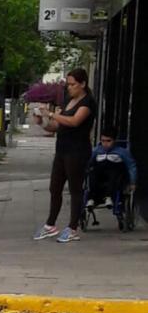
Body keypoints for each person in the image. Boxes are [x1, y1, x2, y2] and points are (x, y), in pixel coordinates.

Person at [33, 68, 96, 243]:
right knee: (55, 187)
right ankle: (50, 225)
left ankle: (73, 227)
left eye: (73, 84)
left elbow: (74, 121)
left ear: (83, 84)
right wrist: (43, 122)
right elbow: (57, 126)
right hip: (62, 149)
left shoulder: (87, 103)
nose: (69, 88)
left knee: (75, 189)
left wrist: (51, 113)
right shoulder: (68, 100)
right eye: (67, 84)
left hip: (77, 151)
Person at [86, 127, 137, 210]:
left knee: (114, 172)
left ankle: (108, 196)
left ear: (114, 140)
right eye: (103, 141)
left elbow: (131, 166)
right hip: (100, 173)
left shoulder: (122, 152)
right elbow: (88, 163)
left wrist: (133, 182)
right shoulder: (96, 151)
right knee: (93, 173)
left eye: (108, 141)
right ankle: (91, 198)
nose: (105, 143)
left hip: (115, 174)